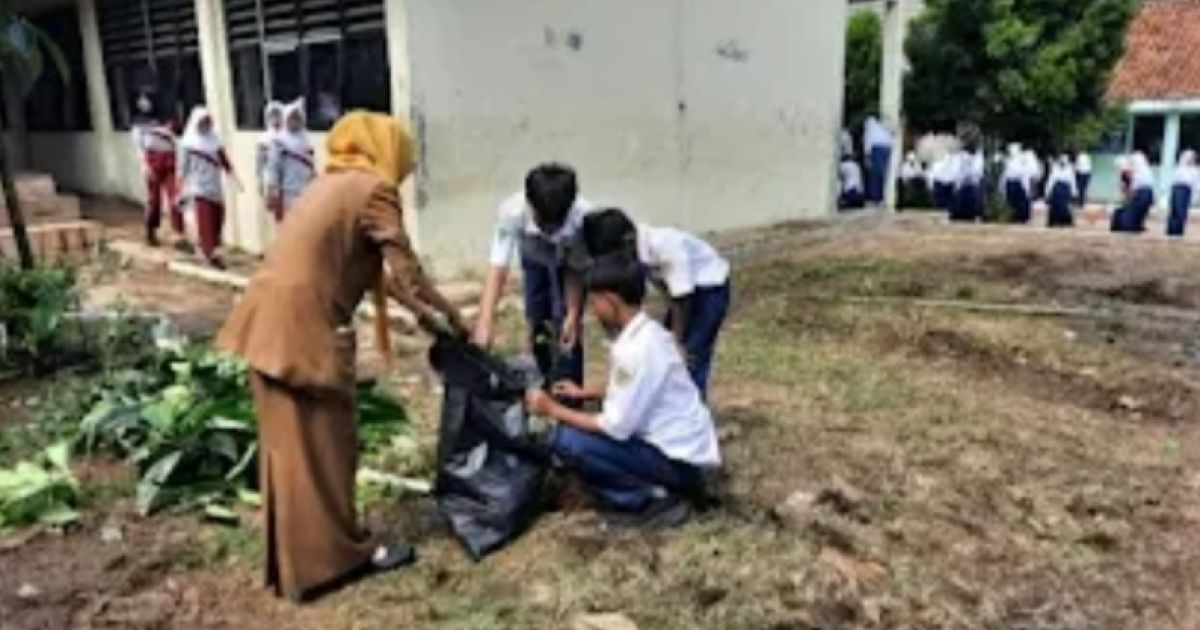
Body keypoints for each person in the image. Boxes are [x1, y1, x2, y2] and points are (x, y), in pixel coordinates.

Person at [216, 112, 468, 602]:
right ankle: (339, 559)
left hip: (268, 325)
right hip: (303, 332)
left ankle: (300, 568)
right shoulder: (374, 189)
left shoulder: (330, 183)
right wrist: (453, 317)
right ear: (386, 149)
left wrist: (424, 316)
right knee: (330, 448)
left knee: (291, 453)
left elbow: (388, 280)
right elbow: (406, 268)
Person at [524, 260, 721, 527]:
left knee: (567, 440)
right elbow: (636, 387)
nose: (593, 311)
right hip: (689, 454)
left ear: (610, 300)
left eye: (594, 302)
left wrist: (552, 409)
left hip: (679, 464)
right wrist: (585, 392)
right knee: (579, 427)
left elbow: (615, 427)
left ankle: (650, 499)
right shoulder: (651, 334)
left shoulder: (634, 351)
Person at [579, 208, 731, 398]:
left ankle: (693, 404)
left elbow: (682, 298)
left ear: (628, 241)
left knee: (691, 354)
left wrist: (678, 342)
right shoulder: (636, 250)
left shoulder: (665, 245)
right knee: (664, 351)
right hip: (682, 293)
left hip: (709, 288)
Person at [473, 164, 592, 385]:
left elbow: (575, 268)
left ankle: (570, 389)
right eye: (543, 224)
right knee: (537, 312)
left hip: (565, 262)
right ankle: (541, 377)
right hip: (533, 257)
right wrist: (485, 320)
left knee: (565, 321)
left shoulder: (582, 218)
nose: (549, 232)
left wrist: (573, 314)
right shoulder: (512, 212)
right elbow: (498, 267)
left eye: (555, 226)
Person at [179, 106, 241, 268]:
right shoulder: (189, 144)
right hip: (199, 187)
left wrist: (234, 177)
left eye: (208, 122)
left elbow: (224, 160)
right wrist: (181, 188)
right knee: (205, 219)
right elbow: (183, 168)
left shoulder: (214, 140)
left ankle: (212, 247)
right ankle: (210, 253)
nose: (205, 125)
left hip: (215, 186)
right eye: (202, 122)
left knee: (218, 217)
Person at [131, 94, 183, 247]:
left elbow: (175, 139)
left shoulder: (166, 120)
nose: (145, 105)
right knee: (155, 201)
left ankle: (179, 233)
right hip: (152, 162)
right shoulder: (138, 126)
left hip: (169, 161)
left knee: (176, 198)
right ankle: (151, 230)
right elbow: (139, 148)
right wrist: (144, 166)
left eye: (147, 101)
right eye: (141, 102)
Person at [264, 98, 316, 222]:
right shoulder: (279, 142)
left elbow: (311, 166)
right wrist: (272, 189)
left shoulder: (306, 141)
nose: (294, 122)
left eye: (297, 118)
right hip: (288, 192)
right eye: (291, 118)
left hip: (307, 190)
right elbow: (273, 167)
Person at [1113, 152, 1156, 233]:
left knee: (1128, 222)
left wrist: (1128, 195)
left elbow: (1129, 188)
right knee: (1136, 216)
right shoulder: (1144, 170)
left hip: (1140, 193)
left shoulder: (1133, 170)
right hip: (1146, 193)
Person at [257, 100, 284, 209]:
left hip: (288, 180)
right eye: (272, 116)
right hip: (271, 180)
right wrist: (260, 181)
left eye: (278, 115)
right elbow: (260, 162)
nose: (275, 119)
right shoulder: (264, 139)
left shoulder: (288, 135)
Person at [863, 116, 894, 207]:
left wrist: (867, 153)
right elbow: (868, 137)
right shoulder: (875, 123)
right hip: (882, 147)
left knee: (878, 174)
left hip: (880, 148)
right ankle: (877, 198)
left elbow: (868, 138)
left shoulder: (874, 123)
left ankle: (876, 198)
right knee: (879, 174)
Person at [950, 144, 984, 222]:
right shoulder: (966, 157)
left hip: (966, 185)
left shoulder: (963, 157)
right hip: (967, 185)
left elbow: (959, 172)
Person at [1168, 149, 1197, 237]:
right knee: (1175, 210)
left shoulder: (1194, 170)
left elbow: (1194, 183)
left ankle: (1179, 231)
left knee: (1182, 212)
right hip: (1177, 188)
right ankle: (1172, 230)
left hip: (1186, 189)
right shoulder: (1180, 167)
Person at [1002, 143, 1032, 224]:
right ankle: (1012, 217)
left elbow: (1024, 172)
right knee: (1011, 201)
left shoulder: (1022, 159)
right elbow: (1005, 174)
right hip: (1010, 183)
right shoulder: (1008, 160)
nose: (1011, 152)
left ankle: (1021, 218)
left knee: (1020, 202)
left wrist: (1025, 184)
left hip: (1019, 183)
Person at [1046, 154, 1077, 228]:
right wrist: (1048, 191)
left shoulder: (1070, 169)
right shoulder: (1055, 168)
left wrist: (1074, 192)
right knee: (1055, 206)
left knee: (1065, 206)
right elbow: (1051, 180)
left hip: (1065, 188)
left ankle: (1065, 222)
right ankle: (1054, 222)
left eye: (1064, 162)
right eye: (1061, 162)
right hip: (1057, 188)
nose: (1062, 163)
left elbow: (1072, 181)